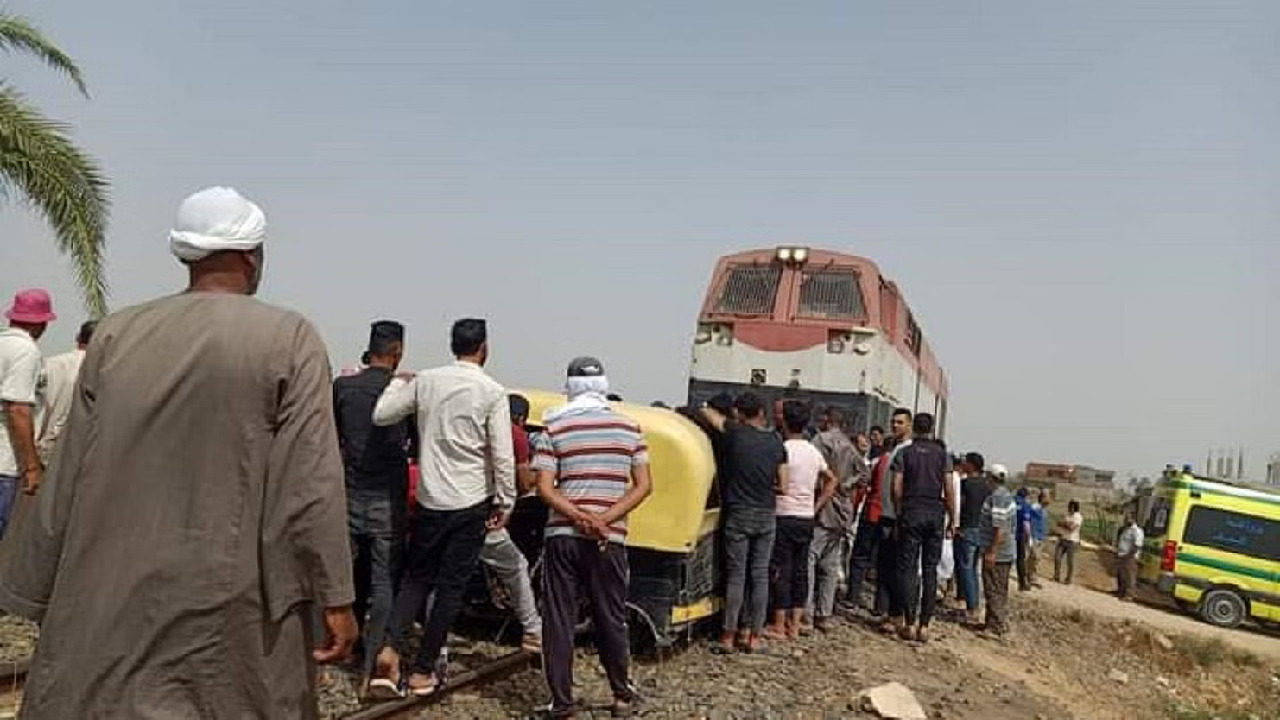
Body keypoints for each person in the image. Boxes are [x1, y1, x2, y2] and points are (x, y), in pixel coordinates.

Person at [0, 187, 357, 718]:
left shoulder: (118, 333)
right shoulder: (290, 338)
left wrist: (33, 585)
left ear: (186, 255)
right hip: (230, 606)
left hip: (109, 595)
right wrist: (336, 595)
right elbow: (310, 485)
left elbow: (69, 471)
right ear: (251, 254)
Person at [370, 318, 516, 698]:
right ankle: (422, 671)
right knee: (450, 589)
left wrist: (399, 382)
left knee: (416, 580)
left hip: (431, 500)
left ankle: (388, 652)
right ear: (483, 348)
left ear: (453, 345)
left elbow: (381, 414)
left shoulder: (428, 380)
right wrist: (506, 500)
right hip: (471, 503)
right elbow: (501, 454)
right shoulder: (492, 391)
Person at [532, 357, 652, 719]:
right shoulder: (630, 428)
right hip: (608, 538)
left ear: (569, 387)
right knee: (610, 615)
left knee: (558, 618)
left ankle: (561, 702)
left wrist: (579, 516)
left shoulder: (554, 428)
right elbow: (644, 486)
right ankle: (621, 695)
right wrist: (603, 520)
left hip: (563, 536)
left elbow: (544, 488)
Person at [333, 320, 414, 687]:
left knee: (348, 575)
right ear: (397, 352)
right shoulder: (405, 392)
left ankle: (342, 646)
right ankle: (373, 660)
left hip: (349, 492)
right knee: (383, 580)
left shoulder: (343, 387)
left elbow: (334, 440)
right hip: (387, 499)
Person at [698, 392, 786, 654]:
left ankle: (728, 636)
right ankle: (754, 637)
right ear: (762, 412)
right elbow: (784, 485)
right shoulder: (775, 442)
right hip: (765, 514)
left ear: (739, 414)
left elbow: (708, 414)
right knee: (759, 575)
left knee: (736, 576)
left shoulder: (735, 434)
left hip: (738, 513)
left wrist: (708, 407)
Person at [477, 394, 543, 653]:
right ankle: (532, 630)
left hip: (454, 507)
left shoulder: (479, 427)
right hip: (489, 515)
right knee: (517, 565)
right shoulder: (517, 435)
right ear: (522, 419)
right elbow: (525, 483)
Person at [767, 401, 835, 639]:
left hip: (783, 515)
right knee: (800, 570)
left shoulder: (781, 448)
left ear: (783, 421)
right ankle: (795, 625)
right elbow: (832, 480)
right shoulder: (812, 451)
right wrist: (816, 507)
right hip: (806, 518)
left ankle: (778, 624)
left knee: (781, 571)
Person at [890, 412, 955, 643]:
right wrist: (952, 518)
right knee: (930, 569)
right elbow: (949, 488)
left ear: (914, 428)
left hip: (911, 509)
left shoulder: (904, 453)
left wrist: (899, 512)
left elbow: (896, 487)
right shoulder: (943, 455)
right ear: (932, 429)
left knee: (907, 568)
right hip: (935, 512)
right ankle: (925, 625)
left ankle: (909, 622)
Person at [0, 288, 55, 538]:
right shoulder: (25, 351)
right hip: (5, 462)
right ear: (42, 323)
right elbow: (18, 409)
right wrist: (32, 466)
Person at [809, 412, 865, 631]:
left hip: (823, 506)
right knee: (831, 565)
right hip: (842, 510)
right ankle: (824, 614)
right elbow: (864, 474)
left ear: (827, 421)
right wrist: (847, 485)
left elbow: (814, 470)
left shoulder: (821, 441)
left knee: (810, 558)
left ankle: (805, 613)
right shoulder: (851, 447)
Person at [36, 319, 94, 467]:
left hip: (36, 448)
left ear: (77, 338)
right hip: (69, 452)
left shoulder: (48, 364)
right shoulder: (97, 369)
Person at [978, 463, 1017, 640]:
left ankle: (997, 625)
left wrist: (992, 551)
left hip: (999, 552)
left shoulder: (998, 497)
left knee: (993, 588)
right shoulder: (1003, 495)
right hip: (1004, 551)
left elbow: (1000, 528)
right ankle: (992, 621)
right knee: (998, 588)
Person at [955, 452, 990, 624]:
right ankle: (974, 604)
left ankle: (972, 608)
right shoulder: (987, 485)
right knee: (973, 569)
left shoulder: (965, 484)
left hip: (967, 528)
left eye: (965, 463)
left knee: (966, 569)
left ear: (971, 465)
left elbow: (959, 506)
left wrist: (956, 525)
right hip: (981, 531)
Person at [1115, 512, 1144, 602]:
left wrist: (1129, 556)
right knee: (1122, 575)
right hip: (1122, 555)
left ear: (1133, 519)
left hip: (1130, 557)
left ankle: (1129, 595)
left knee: (1130, 576)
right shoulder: (1126, 529)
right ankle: (1121, 592)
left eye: (1128, 518)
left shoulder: (1137, 531)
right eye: (1126, 518)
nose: (1126, 520)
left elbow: (1137, 545)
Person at [1054, 500, 1084, 584]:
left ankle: (1068, 579)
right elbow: (1059, 523)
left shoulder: (1078, 517)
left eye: (1072, 507)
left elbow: (1072, 528)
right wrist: (1066, 524)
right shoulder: (1067, 515)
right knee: (1057, 558)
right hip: (1063, 538)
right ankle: (1056, 576)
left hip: (1072, 541)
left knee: (1070, 561)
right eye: (1069, 506)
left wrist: (1064, 524)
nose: (1070, 508)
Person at [1015, 488, 1034, 591]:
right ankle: (1022, 584)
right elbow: (1026, 523)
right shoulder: (1025, 505)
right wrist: (1029, 537)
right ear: (1026, 496)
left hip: (1008, 535)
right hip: (1020, 535)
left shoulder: (1011, 502)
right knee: (1020, 559)